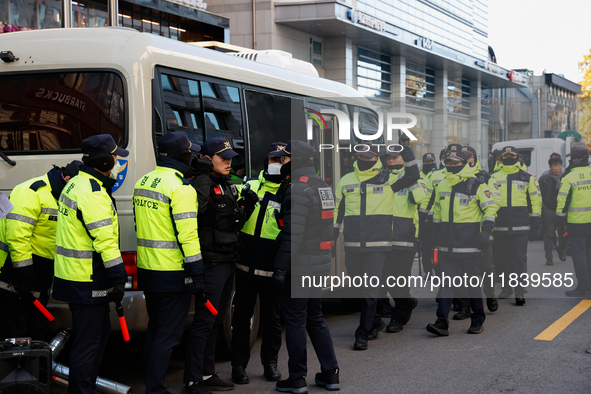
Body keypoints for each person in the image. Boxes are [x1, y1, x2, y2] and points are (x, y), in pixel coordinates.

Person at [53, 135, 129, 394]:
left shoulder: (76, 183)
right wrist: (120, 277)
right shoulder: (93, 193)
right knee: (89, 344)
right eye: (116, 157)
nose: (118, 162)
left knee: (97, 337)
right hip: (86, 280)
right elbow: (105, 242)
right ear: (105, 160)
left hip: (74, 277)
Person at [184, 138, 258, 394]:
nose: (229, 162)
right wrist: (203, 178)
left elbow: (231, 222)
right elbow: (195, 214)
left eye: (230, 157)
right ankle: (193, 380)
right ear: (206, 159)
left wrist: (247, 207)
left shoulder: (225, 185)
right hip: (211, 261)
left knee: (215, 321)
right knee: (205, 321)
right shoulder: (202, 183)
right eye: (222, 157)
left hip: (227, 259)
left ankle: (206, 372)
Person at [334, 135, 419, 351]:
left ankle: (362, 333)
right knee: (357, 288)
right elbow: (337, 211)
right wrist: (331, 235)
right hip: (352, 244)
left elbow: (412, 175)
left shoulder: (388, 179)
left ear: (376, 158)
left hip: (378, 245)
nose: (364, 159)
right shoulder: (345, 180)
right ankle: (374, 322)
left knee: (371, 291)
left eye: (369, 156)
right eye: (361, 156)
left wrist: (406, 152)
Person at [134, 132, 203, 394]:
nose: (192, 156)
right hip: (173, 272)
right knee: (168, 334)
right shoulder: (181, 187)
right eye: (189, 151)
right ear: (180, 155)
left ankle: (152, 383)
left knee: (155, 330)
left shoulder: (144, 181)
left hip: (148, 270)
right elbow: (188, 234)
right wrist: (197, 272)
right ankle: (156, 389)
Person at [272, 140, 340, 393]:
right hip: (319, 264)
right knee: (316, 319)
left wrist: (280, 269)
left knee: (296, 322)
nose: (281, 163)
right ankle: (330, 374)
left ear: (295, 161)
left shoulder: (298, 190)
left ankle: (297, 378)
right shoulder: (322, 185)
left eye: (284, 159)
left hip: (300, 267)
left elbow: (293, 236)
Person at [0, 160, 81, 341]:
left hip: (40, 272)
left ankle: (32, 367)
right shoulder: (30, 192)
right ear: (67, 179)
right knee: (15, 336)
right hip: (15, 274)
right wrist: (23, 274)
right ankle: (18, 368)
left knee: (35, 331)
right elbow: (17, 237)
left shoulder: (64, 196)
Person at [231, 142, 289, 385]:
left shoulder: (288, 191)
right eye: (273, 159)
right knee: (241, 319)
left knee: (272, 320)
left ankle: (270, 364)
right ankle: (238, 366)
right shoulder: (249, 184)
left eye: (282, 160)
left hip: (271, 266)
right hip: (244, 265)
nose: (276, 164)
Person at [426, 148, 497, 336]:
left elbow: (490, 209)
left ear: (465, 163)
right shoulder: (441, 185)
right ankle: (441, 322)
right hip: (446, 246)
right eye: (449, 162)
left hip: (469, 245)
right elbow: (438, 213)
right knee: (447, 285)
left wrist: (486, 231)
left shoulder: (477, 184)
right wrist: (434, 234)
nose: (452, 165)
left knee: (473, 285)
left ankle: (477, 321)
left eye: (456, 162)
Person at [382, 149, 427, 334]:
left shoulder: (416, 177)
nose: (392, 161)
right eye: (389, 158)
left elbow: (419, 198)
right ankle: (406, 302)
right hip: (382, 236)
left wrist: (411, 179)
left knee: (400, 278)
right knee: (385, 278)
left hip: (405, 235)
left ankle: (397, 317)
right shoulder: (381, 176)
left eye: (396, 157)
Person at [490, 146, 542, 306]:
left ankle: (519, 292)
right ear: (501, 159)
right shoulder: (492, 177)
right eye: (506, 156)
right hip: (499, 227)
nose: (509, 158)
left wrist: (535, 222)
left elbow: (536, 200)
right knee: (501, 260)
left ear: (518, 158)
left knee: (519, 259)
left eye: (512, 155)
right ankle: (506, 289)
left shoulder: (527, 177)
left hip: (520, 227)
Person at [461, 145, 501, 313]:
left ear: (475, 159)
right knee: (464, 273)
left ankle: (490, 294)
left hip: (482, 231)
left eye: (470, 157)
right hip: (462, 233)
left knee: (487, 267)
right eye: (464, 157)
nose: (467, 160)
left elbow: (495, 203)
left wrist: (486, 228)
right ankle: (465, 306)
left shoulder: (485, 178)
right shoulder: (455, 178)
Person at [556, 145, 591, 297]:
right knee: (589, 253)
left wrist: (559, 221)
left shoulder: (568, 177)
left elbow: (562, 201)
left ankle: (583, 286)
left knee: (579, 254)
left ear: (575, 159)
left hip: (577, 223)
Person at [539, 155, 567, 266]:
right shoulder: (544, 178)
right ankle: (549, 258)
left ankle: (561, 249)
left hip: (562, 211)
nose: (557, 168)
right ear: (550, 167)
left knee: (564, 233)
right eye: (555, 166)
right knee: (549, 235)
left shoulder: (565, 177)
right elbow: (540, 195)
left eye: (559, 166)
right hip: (549, 210)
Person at [418, 152, 437, 277]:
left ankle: (437, 270)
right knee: (424, 246)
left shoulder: (436, 175)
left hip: (434, 216)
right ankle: (427, 271)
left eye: (431, 162)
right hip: (421, 214)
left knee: (434, 245)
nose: (429, 164)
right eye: (427, 162)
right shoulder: (417, 176)